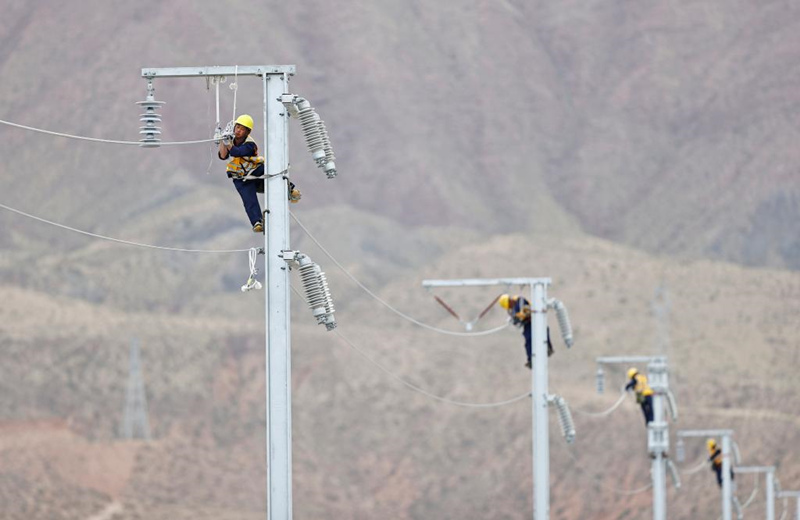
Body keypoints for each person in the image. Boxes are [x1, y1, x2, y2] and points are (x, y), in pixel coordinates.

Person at [218, 114, 301, 233]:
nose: (238, 131)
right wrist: (223, 140)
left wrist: (228, 144)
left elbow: (237, 152)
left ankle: (290, 189)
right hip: (241, 178)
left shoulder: (250, 144)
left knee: (272, 170)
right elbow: (223, 156)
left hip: (255, 170)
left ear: (247, 132)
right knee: (249, 200)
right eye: (237, 127)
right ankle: (257, 222)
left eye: (242, 129)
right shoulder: (230, 140)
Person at [498, 294, 553, 369]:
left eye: (510, 302)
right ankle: (531, 360)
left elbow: (525, 309)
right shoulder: (513, 310)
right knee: (528, 340)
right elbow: (517, 319)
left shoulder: (520, 301)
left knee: (544, 331)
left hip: (534, 319)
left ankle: (548, 347)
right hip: (527, 324)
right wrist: (515, 319)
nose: (511, 304)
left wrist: (520, 316)